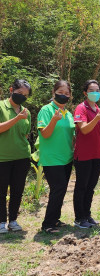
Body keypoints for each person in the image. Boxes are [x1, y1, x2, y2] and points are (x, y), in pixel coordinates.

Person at [38, 80, 75, 234]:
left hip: (67, 158)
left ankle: (55, 219)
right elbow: (45, 134)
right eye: (60, 92)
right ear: (53, 93)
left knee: (61, 190)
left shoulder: (68, 114)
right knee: (57, 189)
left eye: (67, 93)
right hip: (52, 159)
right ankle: (47, 224)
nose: (63, 95)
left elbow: (72, 136)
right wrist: (54, 120)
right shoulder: (46, 110)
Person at [73, 80, 100, 228]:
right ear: (85, 93)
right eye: (91, 90)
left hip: (98, 154)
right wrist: (96, 119)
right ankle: (79, 218)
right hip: (84, 154)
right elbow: (84, 129)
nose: (95, 92)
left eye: (97, 90)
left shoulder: (98, 110)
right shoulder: (81, 108)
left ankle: (87, 215)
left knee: (91, 186)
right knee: (82, 186)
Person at [0, 79, 32, 233]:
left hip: (22, 157)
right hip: (2, 157)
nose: (22, 97)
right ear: (11, 89)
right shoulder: (1, 106)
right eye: (19, 93)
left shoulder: (26, 112)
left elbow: (25, 135)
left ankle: (13, 220)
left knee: (17, 190)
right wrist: (17, 119)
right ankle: (1, 222)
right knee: (1, 190)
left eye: (25, 95)